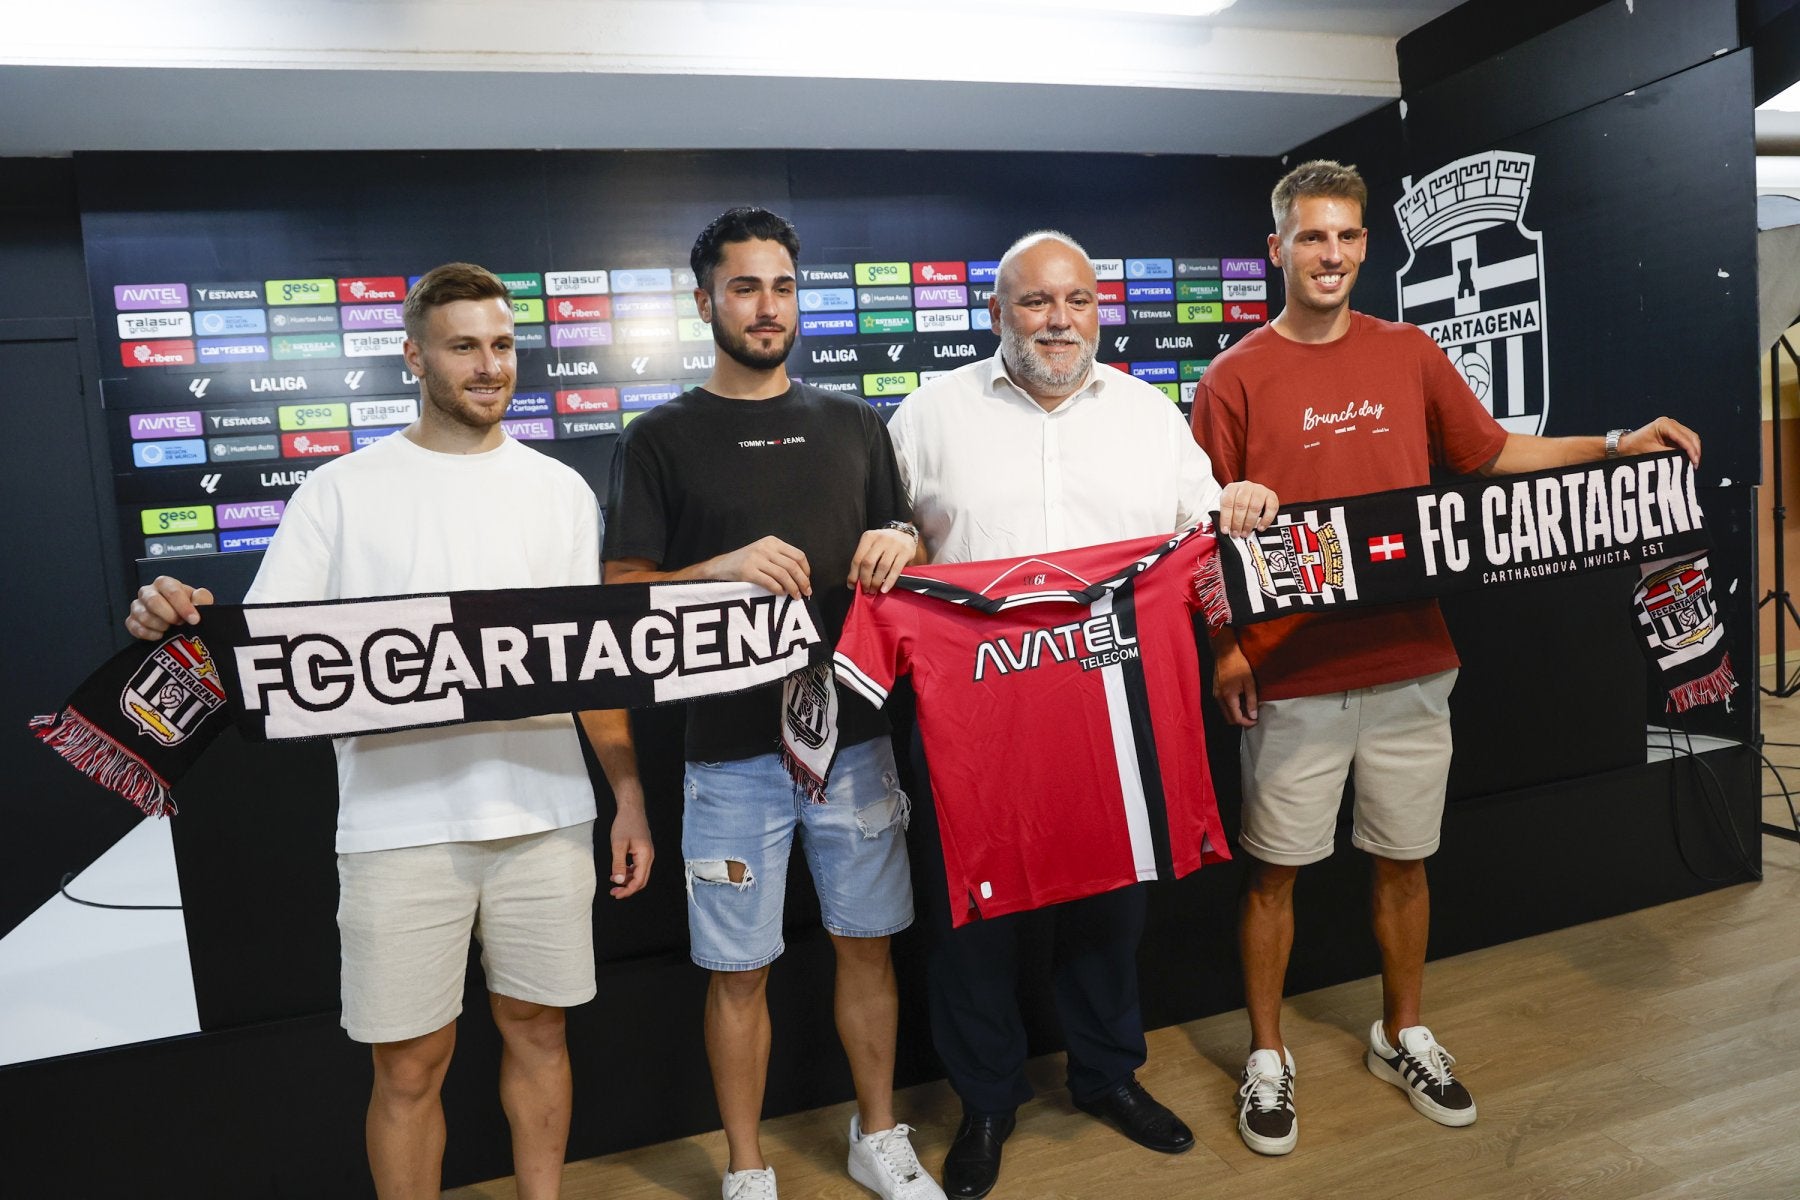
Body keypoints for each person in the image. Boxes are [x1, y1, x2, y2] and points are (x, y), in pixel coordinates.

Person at [1191, 160, 1701, 1158]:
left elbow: (1493, 454)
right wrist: (1228, 649)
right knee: (1274, 875)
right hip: (1292, 671)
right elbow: (1199, 531)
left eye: (1346, 236)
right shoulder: (1232, 377)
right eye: (1311, 237)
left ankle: (1402, 1034)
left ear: (1363, 245)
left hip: (1410, 660)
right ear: (1278, 248)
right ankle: (1267, 1054)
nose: (1331, 255)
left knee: (1405, 860)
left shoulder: (1409, 351)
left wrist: (1615, 443)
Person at [124, 263, 652, 1200]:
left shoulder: (561, 491)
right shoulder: (339, 492)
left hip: (547, 816)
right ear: (414, 355)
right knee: (408, 1066)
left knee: (542, 1032)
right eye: (464, 347)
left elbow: (591, 666)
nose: (489, 366)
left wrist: (627, 795)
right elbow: (260, 649)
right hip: (397, 828)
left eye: (503, 345)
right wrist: (179, 618)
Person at [885, 229, 1277, 1199]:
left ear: (1099, 310)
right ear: (996, 312)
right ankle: (985, 1103)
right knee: (973, 922)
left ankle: (1107, 1075)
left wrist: (1239, 510)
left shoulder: (1148, 414)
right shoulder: (929, 415)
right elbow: (894, 536)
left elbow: (1202, 539)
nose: (1058, 320)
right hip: (977, 723)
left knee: (1111, 904)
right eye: (1035, 301)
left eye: (1078, 301)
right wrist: (888, 538)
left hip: (1116, 708)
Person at [602, 207, 944, 1200]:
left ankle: (878, 1134)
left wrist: (904, 542)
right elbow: (619, 596)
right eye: (744, 287)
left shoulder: (854, 423)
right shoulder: (659, 437)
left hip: (857, 738)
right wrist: (717, 569)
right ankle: (746, 1167)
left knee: (868, 948)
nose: (767, 306)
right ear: (703, 300)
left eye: (783, 286)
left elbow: (906, 544)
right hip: (726, 752)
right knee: (737, 968)